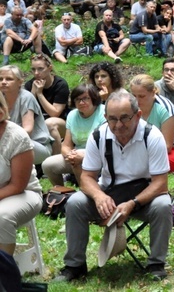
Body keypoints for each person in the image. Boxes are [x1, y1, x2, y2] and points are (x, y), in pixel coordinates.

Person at [54, 90, 172, 281]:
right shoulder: (98, 136)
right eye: (112, 119)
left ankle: (156, 264)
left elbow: (160, 183)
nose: (118, 125)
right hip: (110, 193)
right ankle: (74, 266)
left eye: (124, 118)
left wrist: (132, 203)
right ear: (105, 117)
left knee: (163, 205)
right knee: (75, 202)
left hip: (144, 197)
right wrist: (99, 196)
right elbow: (87, 177)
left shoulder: (153, 136)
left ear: (138, 115)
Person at [0, 92, 43, 257]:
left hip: (24, 193)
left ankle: (4, 273)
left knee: (1, 217)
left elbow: (17, 185)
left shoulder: (16, 137)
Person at [41, 84, 104, 186]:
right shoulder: (72, 115)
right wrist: (69, 155)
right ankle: (62, 193)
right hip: (76, 155)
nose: (81, 102)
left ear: (94, 98)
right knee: (48, 165)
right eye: (77, 99)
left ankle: (86, 192)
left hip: (98, 156)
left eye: (85, 98)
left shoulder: (103, 112)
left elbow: (104, 145)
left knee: (77, 161)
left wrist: (82, 156)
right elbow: (66, 145)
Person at [130, 74, 174, 173]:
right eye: (134, 96)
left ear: (153, 93)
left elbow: (167, 146)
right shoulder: (131, 106)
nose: (137, 100)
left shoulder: (165, 109)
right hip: (142, 150)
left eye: (142, 96)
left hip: (172, 151)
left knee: (139, 165)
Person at [0, 65, 53, 165]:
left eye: (9, 79)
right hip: (10, 144)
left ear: (20, 82)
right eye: (0, 79)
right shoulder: (0, 99)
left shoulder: (26, 97)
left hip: (36, 145)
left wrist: (4, 140)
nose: (3, 82)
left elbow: (27, 130)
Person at [24, 53, 68, 155]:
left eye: (40, 69)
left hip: (60, 123)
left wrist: (40, 94)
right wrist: (33, 93)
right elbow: (26, 112)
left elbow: (55, 113)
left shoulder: (60, 84)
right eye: (33, 69)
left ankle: (55, 162)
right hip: (38, 122)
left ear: (50, 68)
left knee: (50, 123)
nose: (36, 73)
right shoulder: (29, 85)